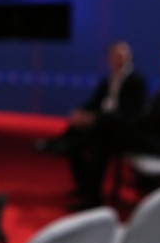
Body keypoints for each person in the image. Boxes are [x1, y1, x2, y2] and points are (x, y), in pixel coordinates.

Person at [68, 39, 160, 210]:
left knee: (103, 134)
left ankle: (92, 197)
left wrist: (135, 122)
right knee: (101, 130)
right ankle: (90, 192)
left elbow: (158, 117)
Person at [54, 42, 148, 194]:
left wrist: (95, 118)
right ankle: (84, 187)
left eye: (124, 55)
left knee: (97, 143)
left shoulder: (137, 81)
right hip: (102, 125)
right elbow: (94, 102)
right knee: (77, 135)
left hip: (121, 131)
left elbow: (129, 113)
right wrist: (81, 113)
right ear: (109, 59)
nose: (122, 59)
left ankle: (92, 196)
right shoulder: (107, 81)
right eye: (117, 56)